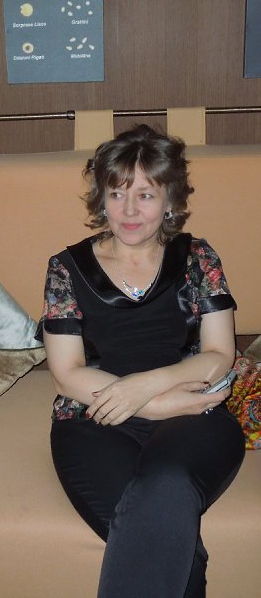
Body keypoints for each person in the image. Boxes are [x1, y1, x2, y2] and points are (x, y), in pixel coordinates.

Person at [36, 124, 245, 597]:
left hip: (195, 412)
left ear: (170, 199)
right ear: (101, 199)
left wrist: (146, 385)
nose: (129, 211)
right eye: (117, 194)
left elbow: (219, 355)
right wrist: (153, 405)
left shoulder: (197, 257)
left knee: (167, 483)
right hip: (93, 418)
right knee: (176, 549)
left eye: (145, 195)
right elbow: (66, 375)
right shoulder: (65, 268)